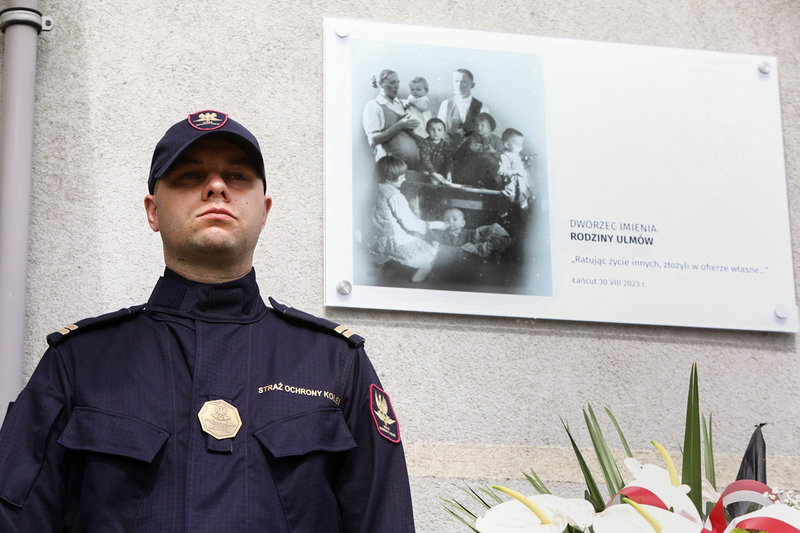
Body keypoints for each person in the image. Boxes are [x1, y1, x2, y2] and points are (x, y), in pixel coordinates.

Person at [0, 110, 416, 532]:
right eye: (188, 175)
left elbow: (386, 520)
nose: (216, 186)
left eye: (237, 177)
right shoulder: (81, 363)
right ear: (153, 211)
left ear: (265, 210)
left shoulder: (334, 364)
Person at [371, 155, 444, 282]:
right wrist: (434, 225)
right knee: (429, 251)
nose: (404, 179)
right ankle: (421, 273)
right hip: (391, 240)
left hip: (374, 238)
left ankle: (382, 265)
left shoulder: (373, 188)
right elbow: (410, 223)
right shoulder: (394, 196)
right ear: (388, 178)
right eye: (401, 177)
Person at [363, 69, 420, 169]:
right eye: (392, 82)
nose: (397, 86)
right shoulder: (373, 106)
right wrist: (400, 124)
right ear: (381, 84)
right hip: (391, 168)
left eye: (398, 82)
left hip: (412, 167)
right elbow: (373, 140)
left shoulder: (402, 104)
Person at [437, 68, 489, 149]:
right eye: (456, 81)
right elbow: (440, 130)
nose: (459, 85)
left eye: (464, 82)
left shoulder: (482, 107)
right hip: (449, 151)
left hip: (472, 154)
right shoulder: (446, 104)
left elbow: (484, 134)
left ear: (472, 85)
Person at [418, 118, 453, 185]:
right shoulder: (425, 143)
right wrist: (434, 173)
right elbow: (426, 161)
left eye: (439, 130)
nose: (435, 132)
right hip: (427, 171)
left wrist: (449, 173)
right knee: (433, 181)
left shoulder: (446, 145)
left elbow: (449, 160)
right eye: (432, 130)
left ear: (444, 131)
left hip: (440, 172)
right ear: (427, 130)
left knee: (447, 182)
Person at [402, 76, 432, 140]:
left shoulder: (424, 99)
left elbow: (423, 109)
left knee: (421, 130)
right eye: (412, 89)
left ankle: (421, 138)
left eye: (418, 90)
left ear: (426, 91)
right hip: (413, 117)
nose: (415, 91)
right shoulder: (410, 97)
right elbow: (407, 105)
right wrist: (406, 105)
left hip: (422, 119)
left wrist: (414, 105)